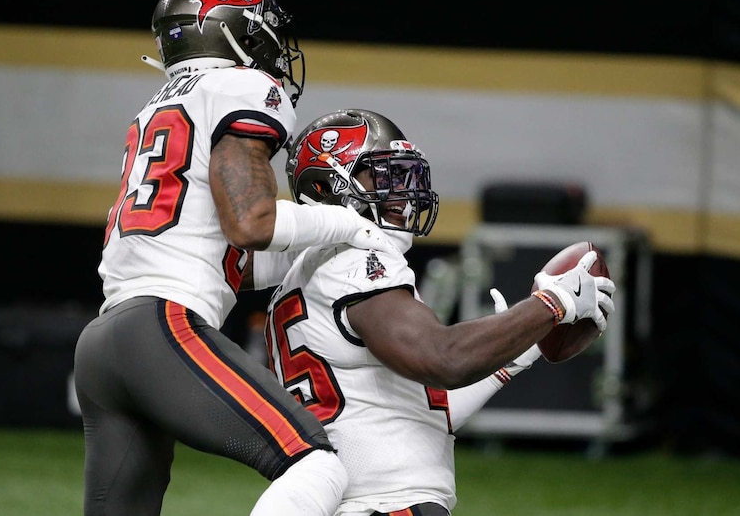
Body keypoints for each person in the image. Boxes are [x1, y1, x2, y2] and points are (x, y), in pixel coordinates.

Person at [73, 0, 395, 516]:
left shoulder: (158, 104)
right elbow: (252, 225)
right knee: (315, 464)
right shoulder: (242, 86)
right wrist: (351, 227)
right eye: (261, 28)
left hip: (103, 343)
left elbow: (227, 260)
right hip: (162, 328)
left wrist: (313, 255)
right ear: (231, 30)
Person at [262, 108, 616, 516]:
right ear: (324, 187)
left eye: (403, 176)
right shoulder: (357, 262)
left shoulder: (308, 273)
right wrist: (549, 306)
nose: (401, 192)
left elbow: (422, 409)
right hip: (386, 505)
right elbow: (444, 359)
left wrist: (516, 354)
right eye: (381, 176)